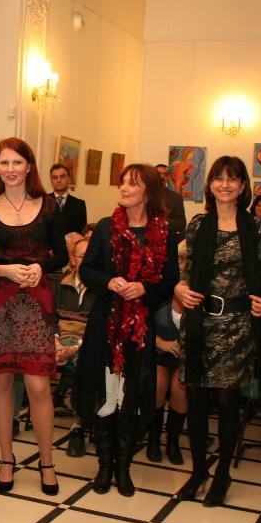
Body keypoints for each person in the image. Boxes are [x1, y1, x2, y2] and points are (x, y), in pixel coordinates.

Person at [175, 156, 261, 508]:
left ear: (242, 186)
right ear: (209, 184)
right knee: (194, 400)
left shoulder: (258, 228)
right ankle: (198, 472)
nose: (225, 184)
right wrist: (179, 289)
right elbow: (186, 273)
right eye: (218, 178)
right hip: (199, 323)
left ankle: (222, 473)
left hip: (237, 326)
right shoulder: (198, 225)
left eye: (232, 178)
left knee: (226, 402)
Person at [74, 164, 180, 496]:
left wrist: (144, 288)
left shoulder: (164, 232)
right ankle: (104, 465)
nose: (123, 188)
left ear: (149, 191)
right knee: (105, 393)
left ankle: (123, 466)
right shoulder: (106, 227)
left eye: (132, 183)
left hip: (141, 326)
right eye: (122, 182)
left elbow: (170, 281)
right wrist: (110, 282)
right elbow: (87, 271)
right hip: (106, 323)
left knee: (131, 395)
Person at [0, 137, 67, 496]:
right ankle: (6, 459)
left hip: (36, 300)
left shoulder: (48, 206)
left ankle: (47, 462)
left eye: (17, 162)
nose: (10, 169)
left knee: (38, 386)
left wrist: (40, 267)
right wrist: (2, 270)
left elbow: (61, 255)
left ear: (29, 166)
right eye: (4, 163)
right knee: (0, 384)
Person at [50, 237, 95, 457]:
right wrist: (55, 343)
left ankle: (79, 427)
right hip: (58, 342)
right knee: (28, 358)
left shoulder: (101, 288)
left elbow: (100, 329)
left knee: (89, 366)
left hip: (87, 344)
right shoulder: (58, 285)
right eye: (82, 256)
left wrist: (76, 347)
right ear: (73, 259)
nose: (87, 260)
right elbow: (49, 319)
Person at [147, 240, 188, 465]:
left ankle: (173, 442)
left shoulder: (201, 294)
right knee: (158, 385)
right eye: (180, 260)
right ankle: (153, 440)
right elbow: (142, 322)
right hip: (158, 350)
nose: (183, 266)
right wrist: (160, 342)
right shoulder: (161, 288)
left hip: (187, 355)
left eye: (188, 261)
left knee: (180, 389)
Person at [49, 163, 88, 250]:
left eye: (62, 177)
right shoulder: (43, 202)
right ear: (51, 180)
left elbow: (81, 233)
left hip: (70, 252)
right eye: (55, 177)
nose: (59, 180)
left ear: (69, 179)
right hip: (47, 252)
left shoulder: (79, 204)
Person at [155, 163, 188, 239]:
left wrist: (162, 221)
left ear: (168, 177)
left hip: (168, 241)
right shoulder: (144, 195)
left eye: (165, 174)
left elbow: (181, 224)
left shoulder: (176, 197)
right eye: (158, 174)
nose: (162, 176)